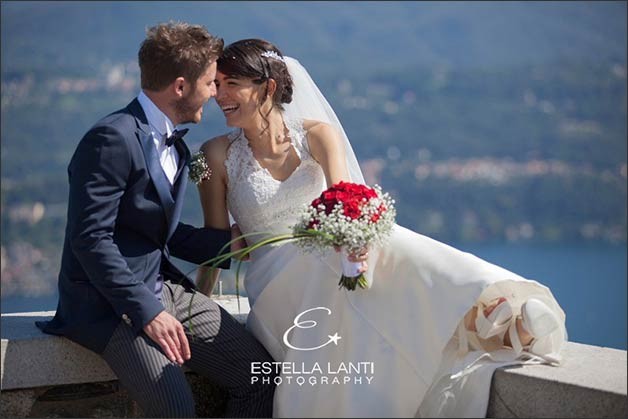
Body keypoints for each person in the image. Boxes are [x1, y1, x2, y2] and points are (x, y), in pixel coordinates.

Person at [195, 38, 567, 418]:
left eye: (231, 84)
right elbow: (213, 244)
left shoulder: (318, 135)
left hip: (328, 262)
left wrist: (357, 241)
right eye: (217, 85)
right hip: (276, 285)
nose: (219, 95)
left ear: (267, 87)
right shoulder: (213, 155)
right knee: (326, 261)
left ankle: (487, 314)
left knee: (384, 242)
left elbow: (345, 202)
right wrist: (197, 303)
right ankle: (483, 322)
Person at [37, 24, 276, 418]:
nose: (216, 93)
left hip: (163, 288)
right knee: (176, 409)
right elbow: (91, 239)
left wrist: (230, 246)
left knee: (261, 376)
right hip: (110, 304)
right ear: (180, 87)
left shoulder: (177, 144)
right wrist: (147, 311)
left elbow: (154, 233)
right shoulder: (112, 138)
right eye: (209, 83)